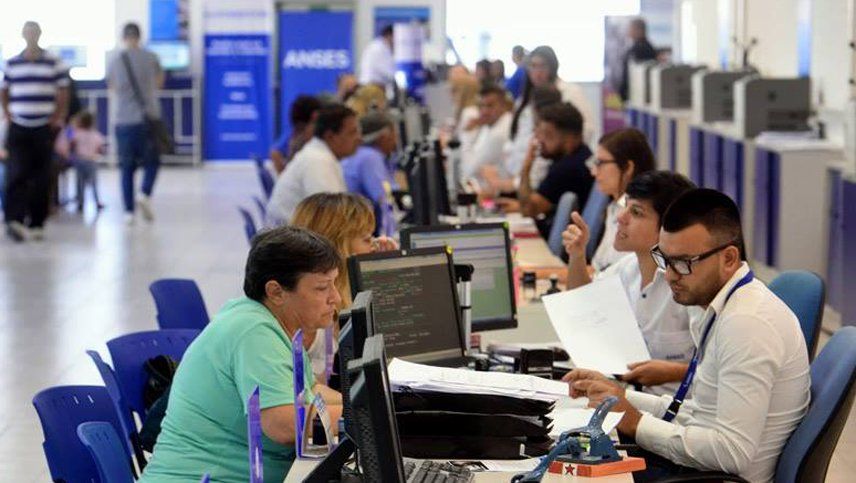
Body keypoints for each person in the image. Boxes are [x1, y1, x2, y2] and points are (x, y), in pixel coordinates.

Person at [566, 189, 810, 482]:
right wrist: (618, 396)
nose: (670, 275)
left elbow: (731, 452)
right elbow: (696, 412)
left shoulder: (747, 324)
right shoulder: (721, 305)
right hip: (697, 467)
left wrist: (636, 422)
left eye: (683, 263)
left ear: (729, 258)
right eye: (665, 259)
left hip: (713, 477)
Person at [139, 226, 344, 483]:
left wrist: (368, 405)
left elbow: (310, 391)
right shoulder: (253, 331)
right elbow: (283, 424)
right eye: (322, 288)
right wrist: (360, 418)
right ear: (276, 292)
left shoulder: (269, 322)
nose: (336, 297)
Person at [562, 171, 696, 395]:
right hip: (629, 398)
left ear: (668, 228)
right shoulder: (627, 269)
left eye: (636, 212)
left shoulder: (689, 288)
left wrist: (674, 372)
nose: (620, 218)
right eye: (625, 206)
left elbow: (721, 371)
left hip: (675, 409)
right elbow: (582, 302)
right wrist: (577, 255)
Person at [291, 193, 397, 380]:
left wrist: (383, 273)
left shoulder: (343, 294)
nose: (374, 245)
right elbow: (312, 389)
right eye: (367, 239)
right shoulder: (311, 317)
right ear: (339, 246)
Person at [1, 21, 69, 242]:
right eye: (27, 32)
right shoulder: (12, 63)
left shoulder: (54, 62)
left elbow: (63, 91)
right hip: (19, 125)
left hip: (43, 126)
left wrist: (56, 116)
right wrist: (8, 113)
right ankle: (14, 220)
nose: (31, 36)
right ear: (23, 35)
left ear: (39, 34)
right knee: (16, 173)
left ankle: (37, 222)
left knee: (42, 176)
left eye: (34, 32)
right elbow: (4, 90)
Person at [500, 102, 594, 237]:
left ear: (569, 139)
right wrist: (520, 205)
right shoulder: (582, 155)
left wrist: (527, 165)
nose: (539, 140)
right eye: (538, 133)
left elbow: (528, 210)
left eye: (547, 135)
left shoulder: (567, 169)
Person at [507, 46, 596, 178]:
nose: (537, 72)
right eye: (533, 66)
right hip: (519, 171)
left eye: (542, 66)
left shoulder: (570, 92)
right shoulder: (524, 99)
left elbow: (586, 130)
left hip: (552, 169)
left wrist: (558, 156)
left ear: (553, 67)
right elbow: (516, 136)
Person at [106, 22, 164, 225]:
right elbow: (159, 83)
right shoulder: (152, 57)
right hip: (148, 119)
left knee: (126, 168)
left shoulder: (115, 60)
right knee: (152, 161)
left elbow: (111, 86)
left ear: (123, 37)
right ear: (140, 36)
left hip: (124, 121)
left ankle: (129, 212)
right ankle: (145, 193)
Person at [266, 104, 360, 225]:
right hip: (293, 235)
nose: (359, 138)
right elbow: (330, 219)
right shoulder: (317, 161)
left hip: (296, 232)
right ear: (331, 136)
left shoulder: (318, 155)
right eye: (352, 133)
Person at [588, 128, 656, 271]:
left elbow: (614, 274)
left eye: (600, 163)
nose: (594, 172)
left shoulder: (638, 218)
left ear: (627, 167)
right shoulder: (613, 207)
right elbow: (599, 269)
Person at [340, 112, 398, 236]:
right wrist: (392, 237)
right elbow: (384, 201)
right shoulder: (370, 157)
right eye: (394, 134)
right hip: (358, 228)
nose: (395, 140)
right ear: (383, 136)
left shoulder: (359, 154)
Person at [460, 85, 512, 189]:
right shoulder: (491, 124)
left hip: (492, 192)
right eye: (481, 106)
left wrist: (468, 133)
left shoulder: (499, 133)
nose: (484, 111)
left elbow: (468, 171)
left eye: (490, 106)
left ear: (504, 106)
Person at [54, 111, 107, 211]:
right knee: (94, 183)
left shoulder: (77, 134)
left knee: (80, 183)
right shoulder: (96, 134)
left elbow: (68, 141)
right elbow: (101, 148)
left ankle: (80, 202)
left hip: (80, 160)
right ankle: (97, 201)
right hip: (92, 161)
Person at [270, 95, 322, 175]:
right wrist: (284, 175)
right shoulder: (298, 136)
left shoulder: (294, 133)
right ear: (315, 115)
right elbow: (275, 153)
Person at [619, 18, 658, 102]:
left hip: (637, 96)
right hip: (634, 95)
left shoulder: (641, 49)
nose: (628, 32)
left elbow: (635, 75)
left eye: (630, 28)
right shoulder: (639, 47)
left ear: (638, 30)